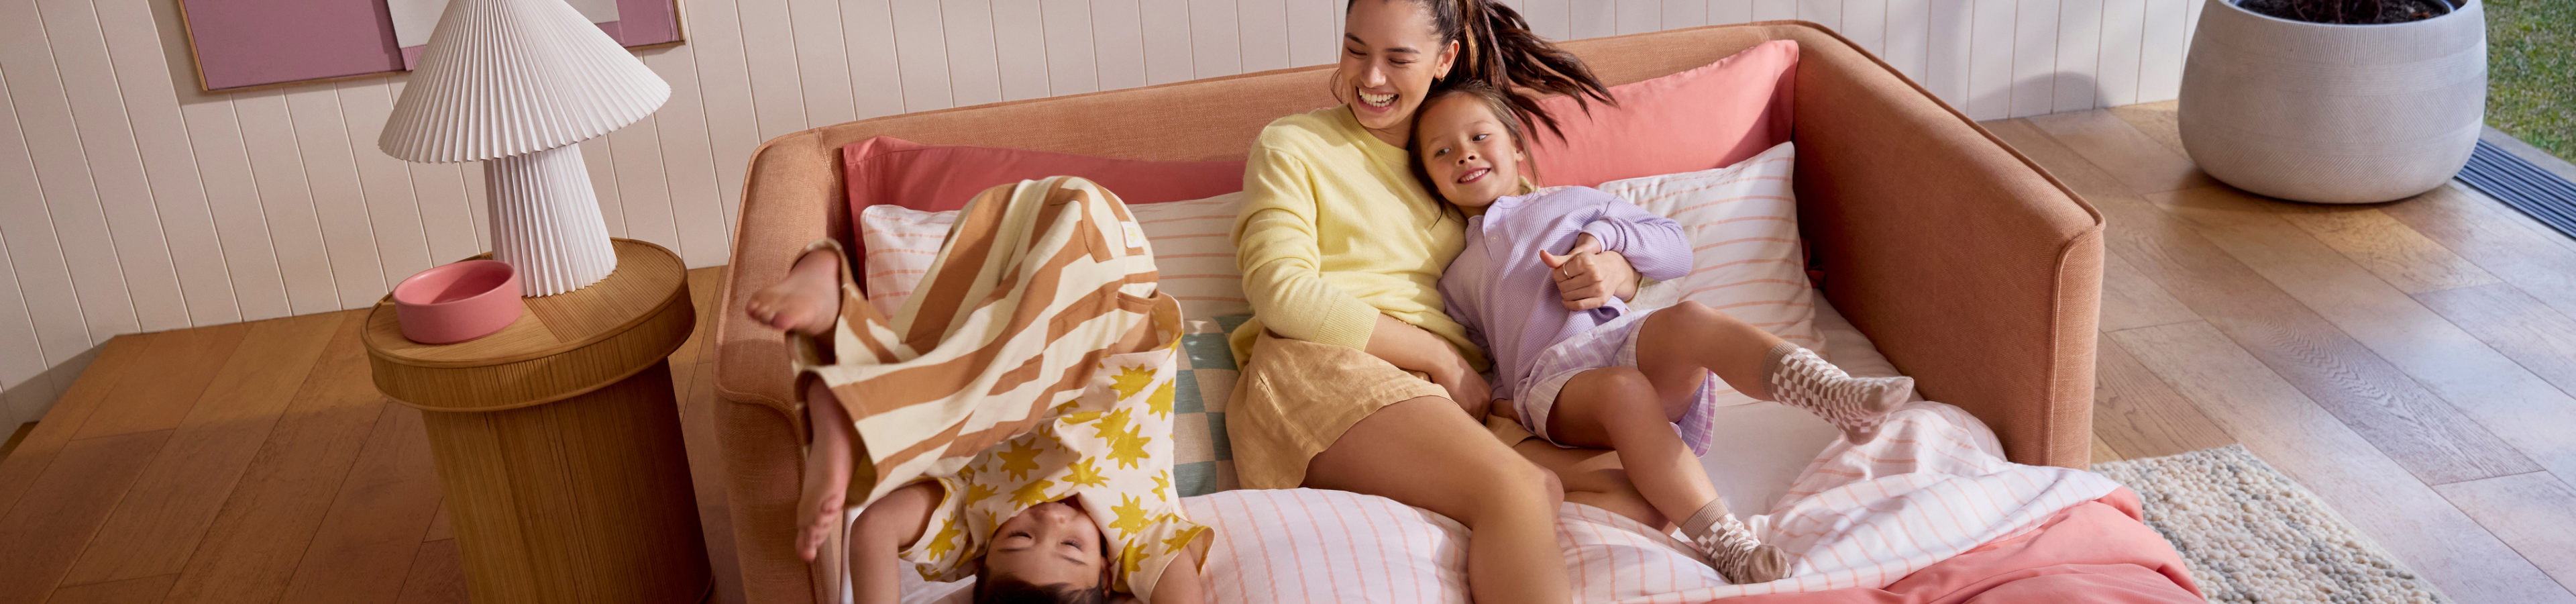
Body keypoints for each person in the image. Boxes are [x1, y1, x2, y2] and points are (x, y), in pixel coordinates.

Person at [1409, 83, 1915, 583]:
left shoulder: (1576, 201)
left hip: (1625, 340)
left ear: (1517, 145)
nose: (1465, 155)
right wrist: (1503, 406)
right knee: (1622, 390)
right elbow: (1485, 358)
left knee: (1691, 317)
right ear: (1429, 178)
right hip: (1553, 384)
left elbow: (1675, 251)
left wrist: (1602, 242)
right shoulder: (1457, 277)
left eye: (1480, 137)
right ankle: (1729, 544)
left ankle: (1833, 394)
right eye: (1442, 152)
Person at [1225, 1, 1617, 603]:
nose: (1371, 77)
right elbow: (1281, 293)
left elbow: (1563, 243)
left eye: (1398, 58)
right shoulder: (1295, 144)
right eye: (1356, 49)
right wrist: (1441, 359)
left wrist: (1612, 270)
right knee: (1519, 488)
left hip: (1459, 398)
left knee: (1626, 485)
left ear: (1445, 58)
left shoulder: (1466, 156)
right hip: (1327, 370)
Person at [748, 177, 1210, 604]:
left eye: (1020, 538)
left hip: (1004, 232)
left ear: (981, 561)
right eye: (1072, 546)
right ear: (1107, 577)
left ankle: (836, 312)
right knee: (966, 397)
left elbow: (876, 528)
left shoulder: (972, 522)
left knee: (943, 369)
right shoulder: (1139, 538)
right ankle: (858, 410)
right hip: (1111, 274)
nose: (1049, 520)